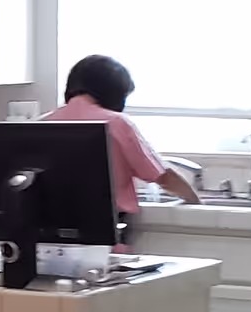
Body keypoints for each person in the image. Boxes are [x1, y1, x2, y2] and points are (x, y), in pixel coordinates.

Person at [44, 54, 201, 219]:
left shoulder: (41, 123)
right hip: (104, 231)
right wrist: (196, 202)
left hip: (48, 233)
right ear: (114, 92)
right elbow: (163, 176)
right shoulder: (116, 123)